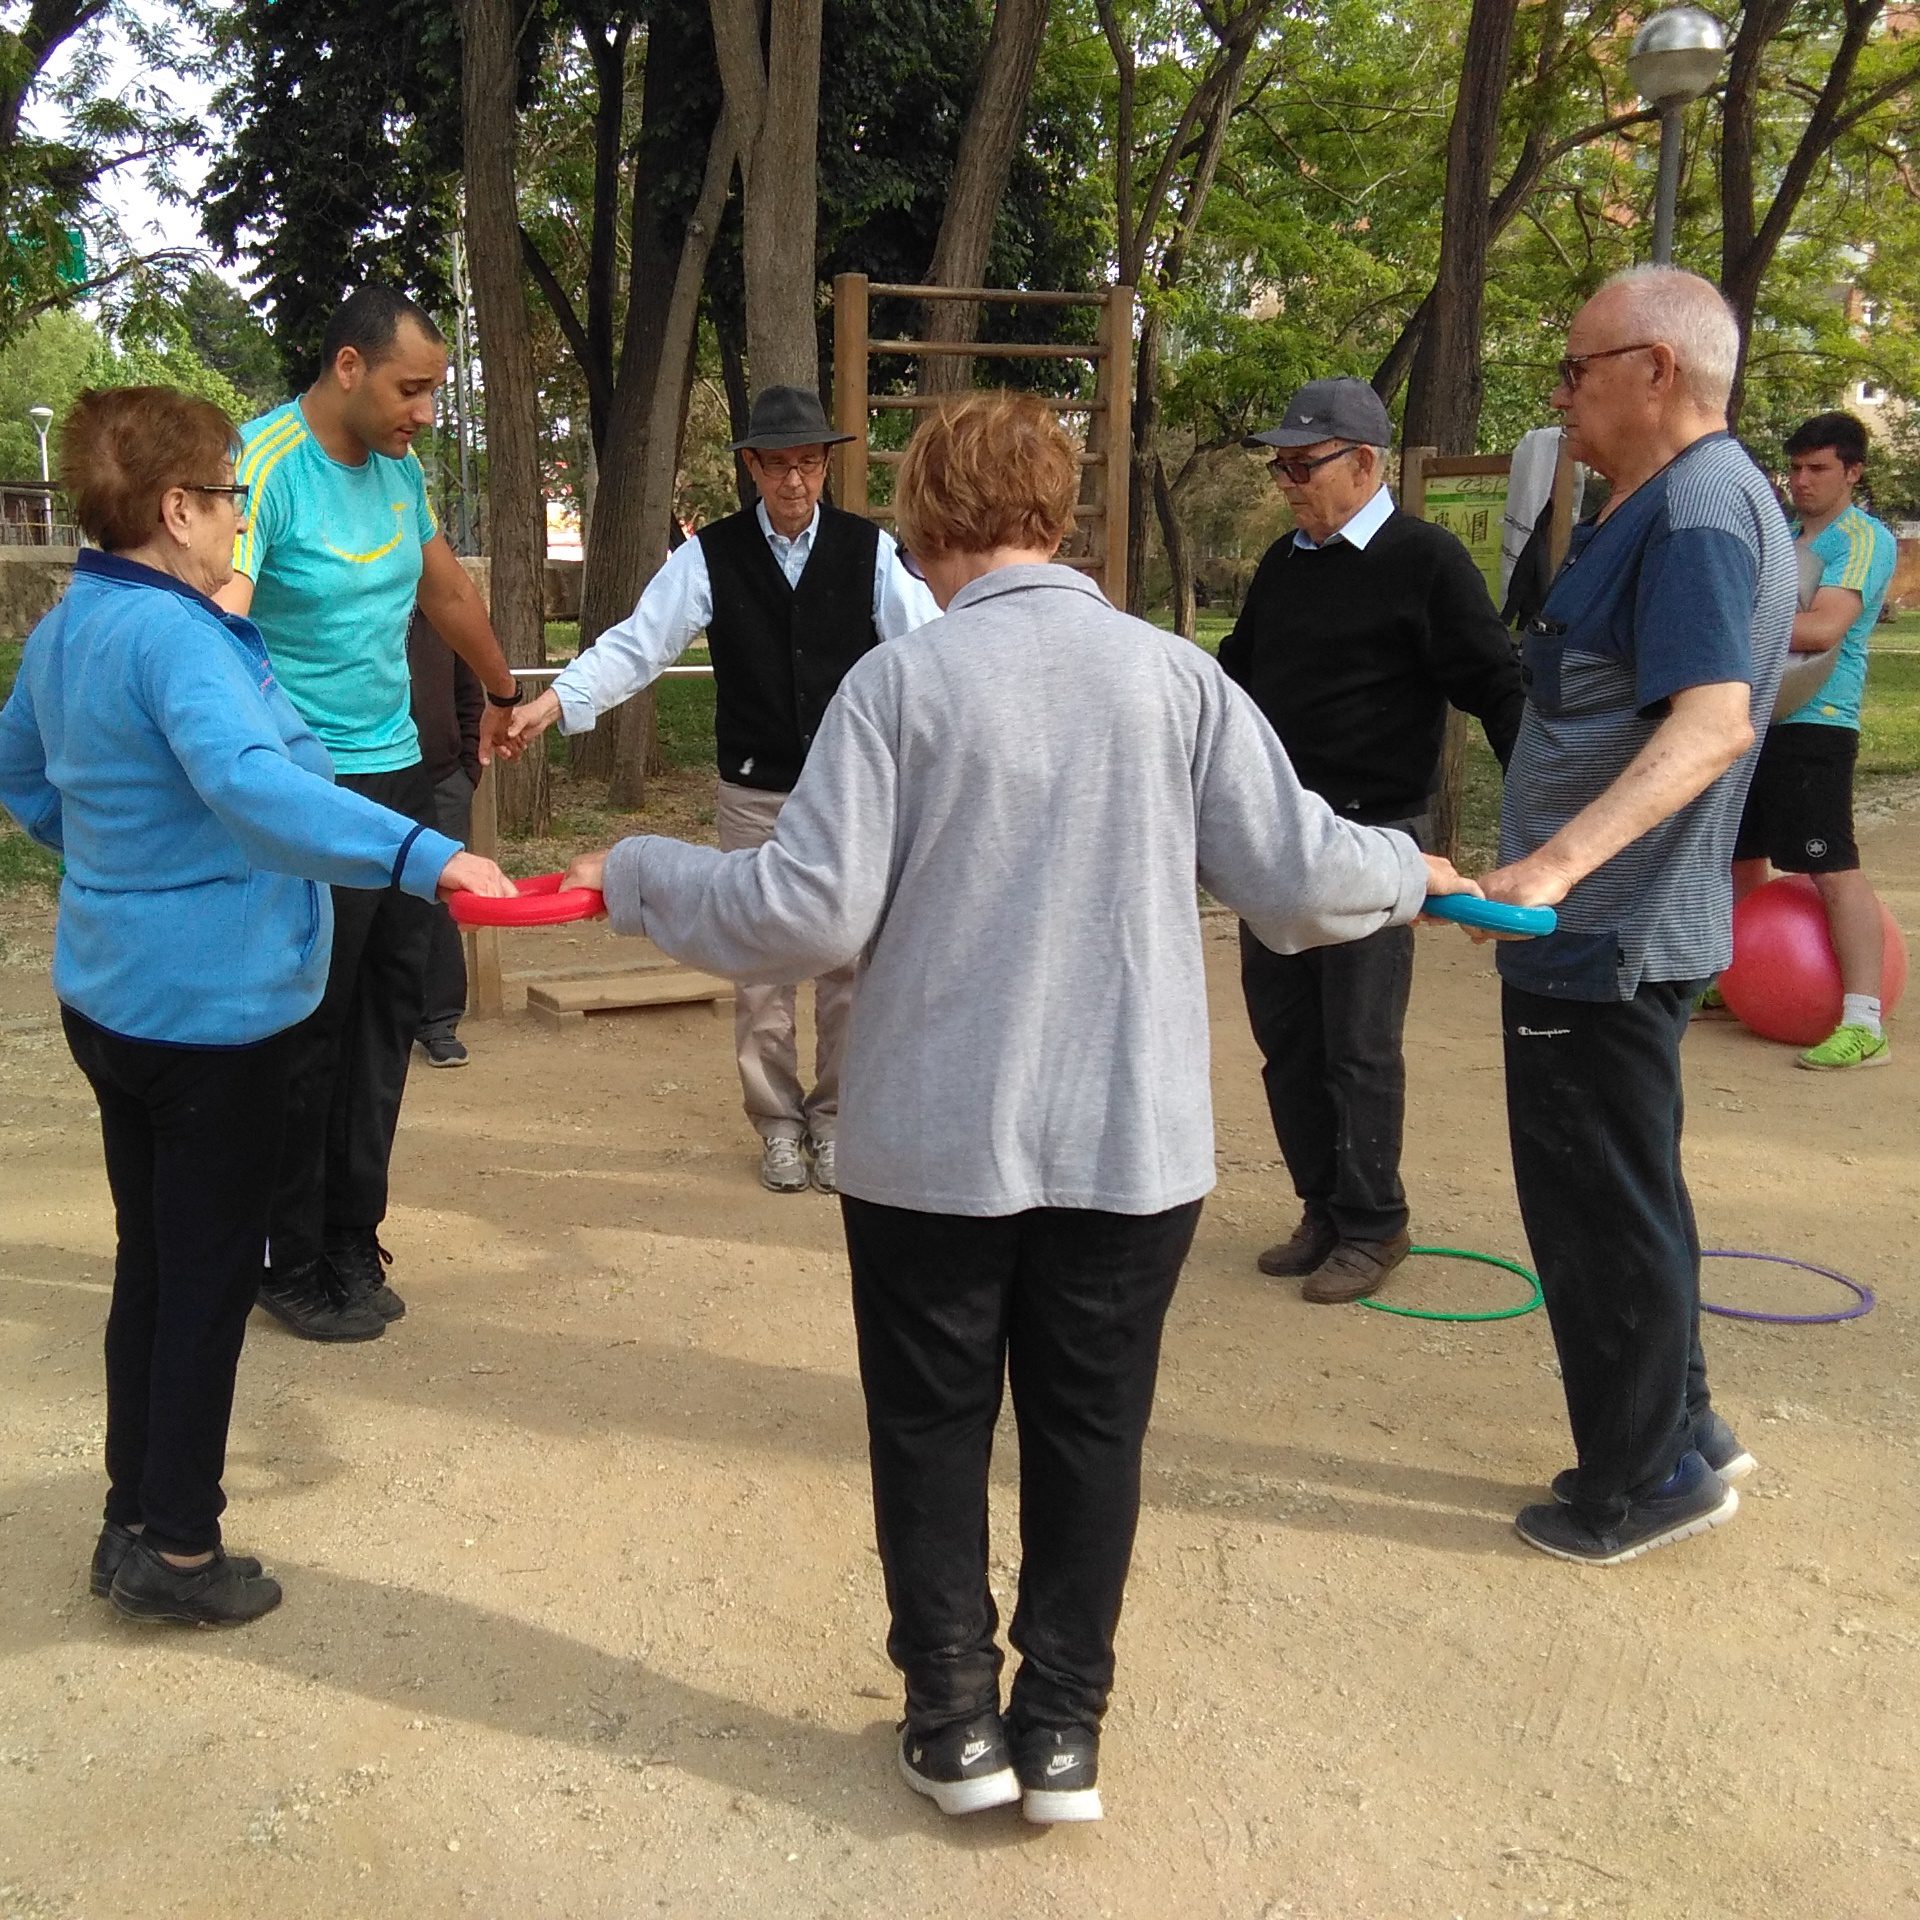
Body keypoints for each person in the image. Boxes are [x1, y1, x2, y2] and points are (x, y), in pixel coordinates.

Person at [559, 393, 1477, 1822]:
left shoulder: (900, 690)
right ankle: (1062, 1732)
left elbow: (801, 913)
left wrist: (640, 876)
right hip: (1131, 1139)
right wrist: (1413, 870)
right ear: (1056, 513)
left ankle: (954, 1719)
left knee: (929, 1426)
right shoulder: (1172, 678)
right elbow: (1299, 878)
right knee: (1091, 1428)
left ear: (926, 527)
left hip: (934, 1142)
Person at [0, 386, 513, 1626]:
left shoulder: (77, 620)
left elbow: (21, 765)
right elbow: (249, 784)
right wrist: (420, 856)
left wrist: (120, 863)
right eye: (230, 495)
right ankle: (176, 1546)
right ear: (177, 511)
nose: (241, 515)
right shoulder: (176, 639)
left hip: (118, 995)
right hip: (207, 1016)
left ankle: (137, 1512)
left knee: (158, 1264)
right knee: (208, 1276)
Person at [1480, 267, 1793, 1566]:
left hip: (1604, 940)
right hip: (1610, 938)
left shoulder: (1704, 512)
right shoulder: (1662, 507)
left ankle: (1649, 1474)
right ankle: (1691, 1426)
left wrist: (1551, 870)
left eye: (1577, 367)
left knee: (1598, 1215)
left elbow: (1712, 723)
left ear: (1656, 369)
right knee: (1633, 1195)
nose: (1563, 393)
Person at [507, 385, 939, 1195]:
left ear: (825, 465)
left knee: (849, 961)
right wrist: (555, 701)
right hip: (755, 790)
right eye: (779, 466)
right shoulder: (710, 555)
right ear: (752, 468)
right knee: (761, 967)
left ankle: (838, 1118)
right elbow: (640, 645)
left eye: (809, 464)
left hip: (847, 792)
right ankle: (777, 1122)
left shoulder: (868, 551)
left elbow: (930, 646)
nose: (796, 482)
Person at [217, 286, 525, 1341]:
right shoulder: (265, 466)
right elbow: (223, 617)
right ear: (348, 368)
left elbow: (442, 594)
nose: (426, 412)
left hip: (399, 781)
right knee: (312, 1024)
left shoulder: (399, 474)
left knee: (390, 1017)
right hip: (306, 793)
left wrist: (503, 690)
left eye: (433, 390)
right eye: (412, 388)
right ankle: (286, 1251)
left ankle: (353, 1231)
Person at [1221, 378, 1523, 1303]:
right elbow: (1235, 679)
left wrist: (1543, 829)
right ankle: (1322, 1205)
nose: (1287, 482)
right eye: (1279, 466)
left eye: (1302, 465)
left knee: (1358, 1042)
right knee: (1287, 1036)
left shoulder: (1425, 562)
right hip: (1281, 841)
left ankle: (1374, 1223)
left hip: (1379, 835)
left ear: (1363, 461)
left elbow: (1498, 686)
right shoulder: (1286, 563)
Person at [1728, 411, 1899, 1069]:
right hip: (1759, 716)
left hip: (1818, 722)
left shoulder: (1862, 538)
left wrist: (1727, 619)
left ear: (1852, 472)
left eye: (1818, 468)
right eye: (1795, 467)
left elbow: (1823, 628)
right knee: (1741, 859)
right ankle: (1733, 977)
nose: (1801, 480)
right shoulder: (1789, 538)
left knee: (1830, 867)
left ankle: (1863, 1021)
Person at [408, 609, 485, 1068]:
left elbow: (468, 693)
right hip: (370, 774)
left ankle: (440, 1022)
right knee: (367, 899)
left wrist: (465, 772)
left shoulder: (442, 613)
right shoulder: (355, 604)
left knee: (442, 900)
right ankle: (379, 1018)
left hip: (441, 778)